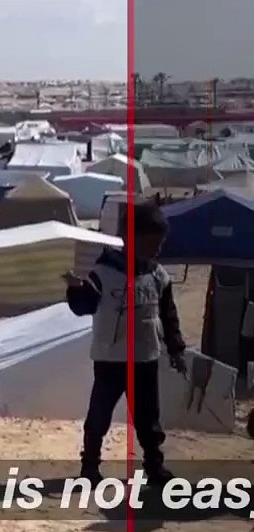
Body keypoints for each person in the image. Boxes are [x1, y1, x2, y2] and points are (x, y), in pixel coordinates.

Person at [64, 201, 183, 487]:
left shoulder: (158, 275)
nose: (157, 249)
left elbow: (168, 315)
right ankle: (90, 466)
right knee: (99, 415)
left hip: (145, 357)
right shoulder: (104, 272)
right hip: (111, 358)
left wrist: (176, 349)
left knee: (148, 419)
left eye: (160, 243)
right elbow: (85, 307)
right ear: (130, 239)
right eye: (152, 242)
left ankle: (154, 467)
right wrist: (74, 290)